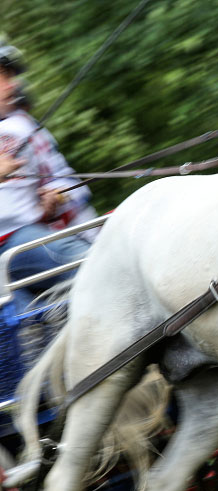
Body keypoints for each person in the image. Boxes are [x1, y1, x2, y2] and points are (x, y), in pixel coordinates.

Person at [0, 40, 97, 312]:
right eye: (1, 77)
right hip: (11, 244)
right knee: (94, 267)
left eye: (11, 77)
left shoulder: (26, 128)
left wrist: (57, 199)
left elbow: (61, 178)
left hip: (30, 238)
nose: (12, 86)